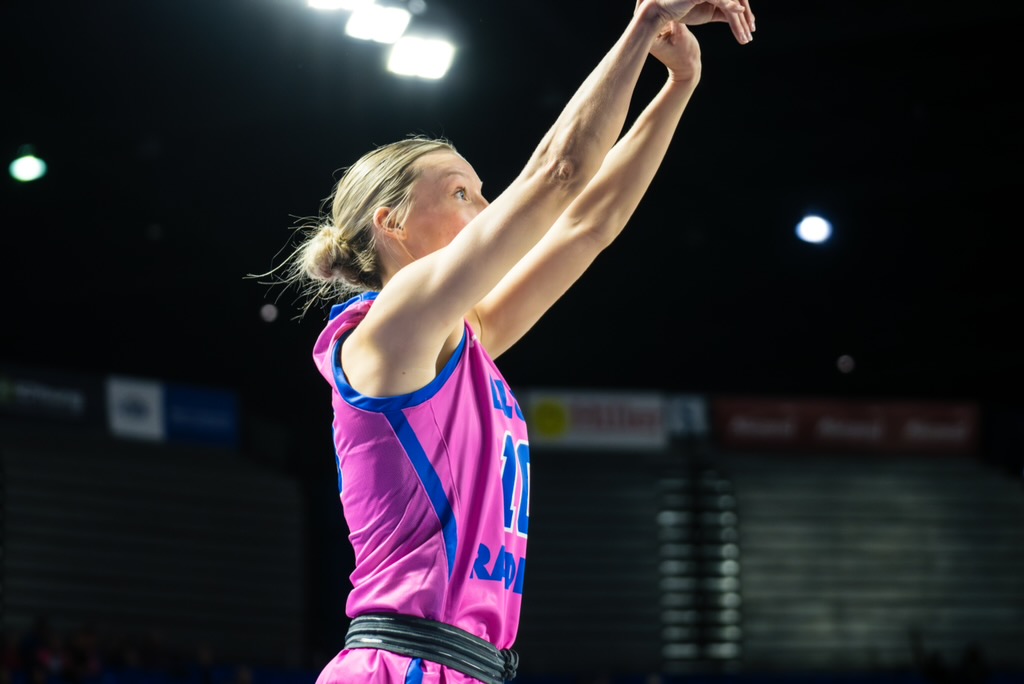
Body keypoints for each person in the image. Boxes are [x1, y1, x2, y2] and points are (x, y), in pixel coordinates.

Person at [259, 0, 755, 681]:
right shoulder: (390, 325)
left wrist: (678, 88)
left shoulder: (468, 336)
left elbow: (589, 225)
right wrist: (640, 28)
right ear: (391, 222)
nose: (486, 208)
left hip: (466, 666)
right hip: (401, 663)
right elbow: (558, 177)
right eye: (462, 191)